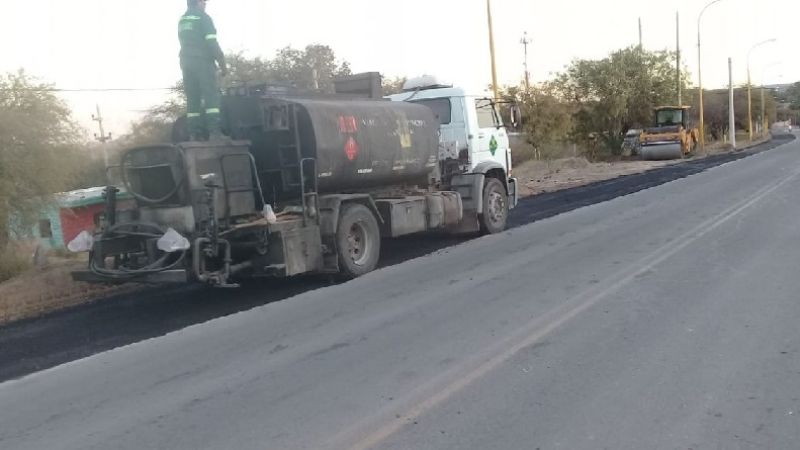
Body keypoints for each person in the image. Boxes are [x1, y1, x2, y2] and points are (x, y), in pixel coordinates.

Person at [178, 0, 228, 140]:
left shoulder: (182, 20)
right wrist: (222, 64)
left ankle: (194, 134)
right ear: (198, 2)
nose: (205, 4)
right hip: (202, 62)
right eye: (204, 1)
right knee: (211, 95)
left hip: (186, 63)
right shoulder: (203, 17)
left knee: (193, 98)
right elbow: (212, 42)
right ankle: (214, 133)